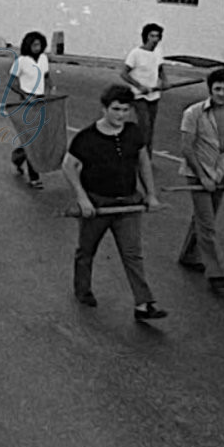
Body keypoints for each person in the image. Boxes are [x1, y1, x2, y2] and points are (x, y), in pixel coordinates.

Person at [63, 84, 168, 323]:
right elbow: (68, 167)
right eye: (116, 109)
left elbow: (143, 163)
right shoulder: (86, 138)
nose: (121, 115)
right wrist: (82, 199)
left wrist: (150, 195)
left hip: (128, 203)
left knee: (132, 254)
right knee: (86, 250)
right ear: (104, 109)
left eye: (125, 110)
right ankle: (83, 289)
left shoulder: (133, 133)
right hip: (98, 204)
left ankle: (143, 303)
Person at [177, 68, 224, 290]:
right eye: (218, 89)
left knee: (205, 218)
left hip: (220, 174)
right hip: (197, 174)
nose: (222, 93)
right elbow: (186, 148)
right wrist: (202, 176)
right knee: (208, 224)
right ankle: (217, 272)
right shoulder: (193, 113)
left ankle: (187, 254)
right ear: (210, 90)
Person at [120, 23, 167, 191]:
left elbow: (160, 68)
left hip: (154, 96)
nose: (155, 39)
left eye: (158, 36)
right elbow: (124, 74)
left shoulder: (158, 52)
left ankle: (147, 159)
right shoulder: (136, 53)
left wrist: (163, 81)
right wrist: (139, 86)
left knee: (151, 128)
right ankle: (140, 157)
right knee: (144, 126)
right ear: (146, 36)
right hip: (139, 96)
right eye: (153, 36)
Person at [8, 31, 52, 189]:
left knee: (36, 138)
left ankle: (18, 157)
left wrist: (49, 91)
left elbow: (46, 77)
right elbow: (12, 83)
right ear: (28, 46)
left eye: (39, 45)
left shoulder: (44, 59)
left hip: (40, 99)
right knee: (32, 139)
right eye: (34, 45)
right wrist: (25, 96)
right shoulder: (21, 61)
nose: (37, 48)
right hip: (27, 101)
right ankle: (34, 176)